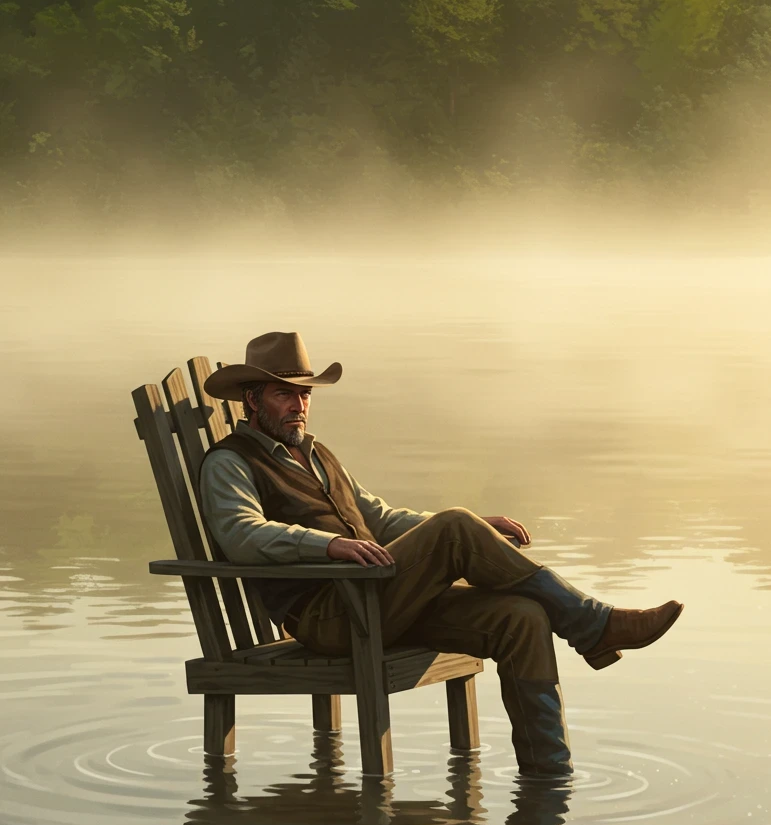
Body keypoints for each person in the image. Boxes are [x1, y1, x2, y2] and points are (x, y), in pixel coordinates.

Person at [199, 331, 683, 776]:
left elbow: (380, 518)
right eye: (284, 393)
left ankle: (549, 776)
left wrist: (476, 529)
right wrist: (329, 544)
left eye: (304, 393)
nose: (299, 404)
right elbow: (242, 534)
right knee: (453, 525)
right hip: (332, 616)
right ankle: (594, 625)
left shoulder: (317, 454)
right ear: (252, 400)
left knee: (522, 616)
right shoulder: (230, 461)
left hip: (380, 602)